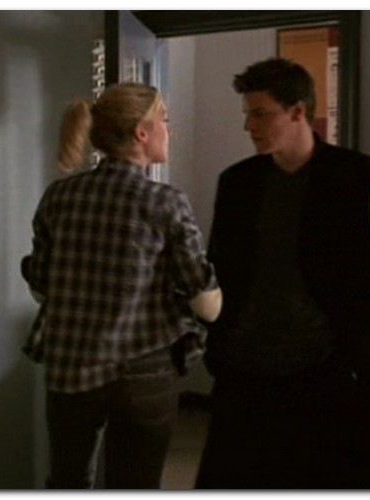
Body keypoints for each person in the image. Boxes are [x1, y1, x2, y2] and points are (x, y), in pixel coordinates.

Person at [195, 58, 370, 489]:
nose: (249, 126)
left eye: (261, 113)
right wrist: (218, 348)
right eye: (247, 114)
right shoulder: (238, 183)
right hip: (246, 372)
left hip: (325, 376)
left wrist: (355, 361)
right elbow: (220, 268)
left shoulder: (357, 179)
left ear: (298, 111)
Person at [21, 82, 221, 489]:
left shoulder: (59, 196)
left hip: (70, 366)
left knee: (67, 481)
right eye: (164, 120)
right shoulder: (167, 203)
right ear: (141, 133)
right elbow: (205, 301)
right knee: (136, 485)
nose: (170, 130)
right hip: (143, 372)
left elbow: (40, 286)